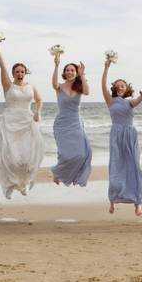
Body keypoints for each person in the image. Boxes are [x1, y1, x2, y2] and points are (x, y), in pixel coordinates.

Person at [101, 57, 142, 215]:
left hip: (130, 136)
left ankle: (138, 203)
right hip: (116, 136)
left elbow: (138, 101)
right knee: (115, 167)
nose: (119, 88)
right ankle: (112, 201)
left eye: (122, 86)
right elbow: (103, 85)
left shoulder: (129, 102)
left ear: (126, 89)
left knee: (133, 167)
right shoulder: (110, 101)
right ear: (114, 88)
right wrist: (106, 67)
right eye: (117, 86)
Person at [0, 40, 44, 199]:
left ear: (25, 73)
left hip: (28, 121)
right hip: (10, 122)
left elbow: (39, 100)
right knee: (12, 157)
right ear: (13, 73)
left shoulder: (31, 86)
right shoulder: (8, 85)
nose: (20, 74)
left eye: (22, 71)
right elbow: (2, 67)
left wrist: (39, 112)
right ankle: (12, 183)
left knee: (29, 157)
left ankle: (26, 182)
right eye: (17, 71)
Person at [50, 53, 92, 187]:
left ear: (76, 72)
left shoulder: (80, 87)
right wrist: (56, 65)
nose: (69, 72)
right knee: (64, 154)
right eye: (67, 70)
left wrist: (83, 74)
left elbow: (87, 92)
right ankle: (59, 173)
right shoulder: (59, 87)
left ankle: (67, 174)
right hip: (61, 124)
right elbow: (53, 83)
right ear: (64, 73)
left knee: (81, 154)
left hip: (75, 123)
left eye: (72, 70)